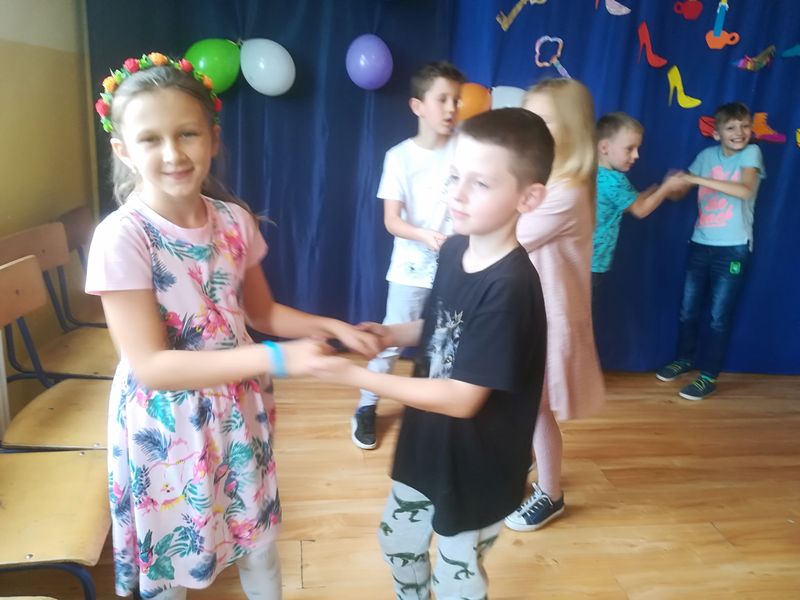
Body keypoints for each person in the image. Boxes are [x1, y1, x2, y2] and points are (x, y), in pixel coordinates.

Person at [85, 52, 379, 600]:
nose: (173, 153)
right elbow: (152, 366)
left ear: (213, 139)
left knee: (257, 541)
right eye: (150, 139)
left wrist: (331, 326)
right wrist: (277, 357)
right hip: (167, 427)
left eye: (187, 133)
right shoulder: (122, 237)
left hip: (239, 410)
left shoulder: (234, 220)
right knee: (174, 560)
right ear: (123, 150)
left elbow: (261, 313)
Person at [313, 108, 552, 598]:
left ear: (528, 198)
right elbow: (444, 324)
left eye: (480, 184)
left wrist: (352, 376)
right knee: (396, 544)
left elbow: (463, 398)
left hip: (477, 465)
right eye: (454, 176)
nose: (457, 194)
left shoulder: (512, 287)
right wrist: (389, 334)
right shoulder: (454, 250)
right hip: (427, 443)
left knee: (455, 578)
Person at [505, 78, 606, 533]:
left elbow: (513, 236)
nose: (532, 128)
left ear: (570, 127)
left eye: (544, 120)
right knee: (525, 402)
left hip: (551, 319)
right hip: (531, 311)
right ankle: (526, 464)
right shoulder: (547, 182)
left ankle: (551, 493)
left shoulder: (566, 191)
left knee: (535, 406)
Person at [351, 61, 465, 450]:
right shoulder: (399, 157)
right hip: (411, 269)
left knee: (447, 340)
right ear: (418, 106)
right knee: (392, 339)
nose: (451, 108)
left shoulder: (466, 149)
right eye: (442, 99)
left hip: (456, 266)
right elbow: (392, 221)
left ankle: (436, 410)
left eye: (456, 100)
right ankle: (367, 406)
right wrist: (424, 235)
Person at [656, 102, 765, 400]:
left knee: (718, 316)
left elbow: (745, 190)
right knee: (688, 310)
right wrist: (672, 185)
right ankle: (684, 359)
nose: (739, 132)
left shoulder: (752, 153)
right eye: (730, 127)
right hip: (700, 245)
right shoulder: (706, 156)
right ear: (717, 134)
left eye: (744, 126)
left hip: (733, 249)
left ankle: (708, 376)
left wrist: (694, 179)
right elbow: (681, 193)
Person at [592, 112, 683, 291]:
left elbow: (629, 202)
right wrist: (666, 188)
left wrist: (656, 189)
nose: (636, 155)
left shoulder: (594, 173)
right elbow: (640, 210)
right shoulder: (615, 180)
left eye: (637, 149)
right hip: (593, 263)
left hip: (579, 259)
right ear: (604, 147)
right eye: (629, 149)